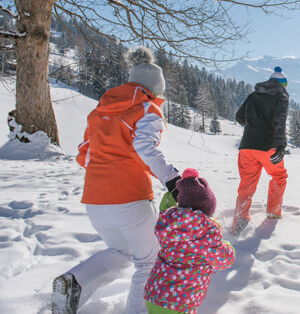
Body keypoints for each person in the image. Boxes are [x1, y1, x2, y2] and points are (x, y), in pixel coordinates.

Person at [52, 46, 182, 314]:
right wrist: (172, 179)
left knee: (121, 251)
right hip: (130, 197)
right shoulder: (147, 108)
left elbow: (84, 153)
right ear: (154, 88)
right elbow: (145, 147)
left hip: (95, 199)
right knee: (149, 261)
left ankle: (74, 282)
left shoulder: (100, 110)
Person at [144, 168, 235, 313]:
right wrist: (227, 246)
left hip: (154, 294)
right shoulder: (206, 233)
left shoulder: (169, 224)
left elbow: (165, 207)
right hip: (180, 302)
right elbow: (224, 260)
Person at [231, 66, 289, 235]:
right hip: (268, 147)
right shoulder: (282, 96)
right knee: (279, 176)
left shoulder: (253, 95)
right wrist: (281, 147)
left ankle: (240, 220)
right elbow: (280, 122)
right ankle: (273, 214)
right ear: (282, 84)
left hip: (247, 147)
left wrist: (252, 128)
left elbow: (239, 117)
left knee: (247, 183)